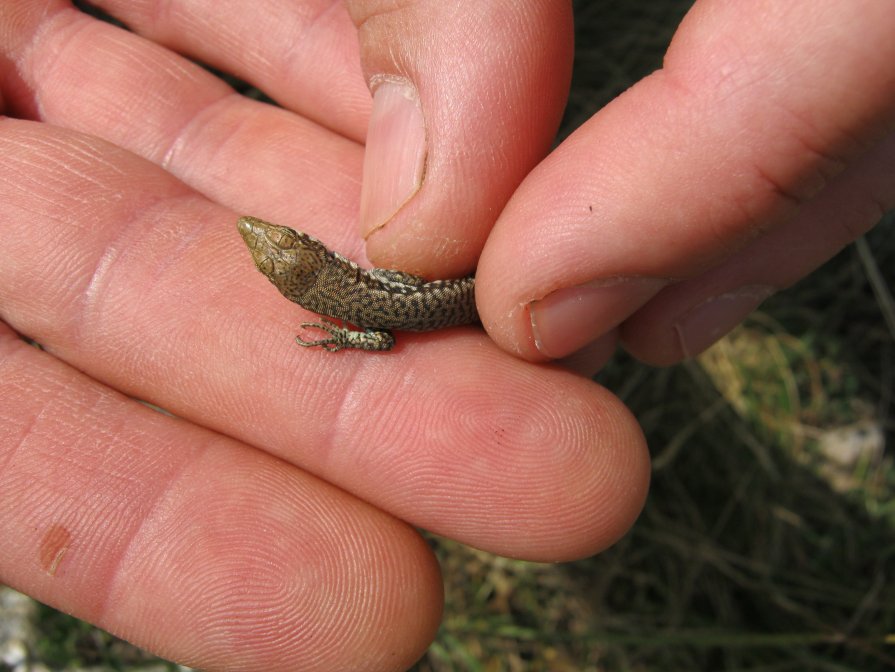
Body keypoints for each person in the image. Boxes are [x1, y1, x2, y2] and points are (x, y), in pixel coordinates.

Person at [0, 1, 891, 670]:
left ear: (305, 262)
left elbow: (386, 331)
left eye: (279, 247)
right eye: (278, 254)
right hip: (462, 294)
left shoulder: (349, 298)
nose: (270, 242)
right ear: (299, 267)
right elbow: (385, 332)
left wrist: (357, 328)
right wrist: (359, 332)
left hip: (474, 287)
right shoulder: (353, 298)